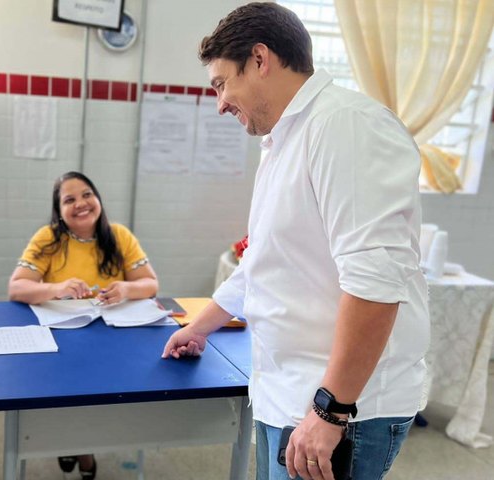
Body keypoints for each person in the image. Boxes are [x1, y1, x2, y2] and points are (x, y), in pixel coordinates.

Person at [162, 3, 429, 480]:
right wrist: (201, 327)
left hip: (343, 407)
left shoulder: (346, 125)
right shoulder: (286, 140)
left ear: (260, 59)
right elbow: (263, 261)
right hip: (286, 393)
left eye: (222, 83)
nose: (220, 102)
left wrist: (331, 409)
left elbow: (375, 280)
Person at [9, 171, 159, 478]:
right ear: (60, 211)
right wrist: (56, 288)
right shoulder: (48, 238)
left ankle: (77, 447)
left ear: (98, 198)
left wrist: (126, 288)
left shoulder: (119, 236)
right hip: (60, 339)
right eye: (69, 199)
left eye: (87, 194)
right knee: (68, 394)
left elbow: (150, 284)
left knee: (98, 398)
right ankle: (83, 453)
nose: (81, 203)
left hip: (111, 339)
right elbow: (17, 289)